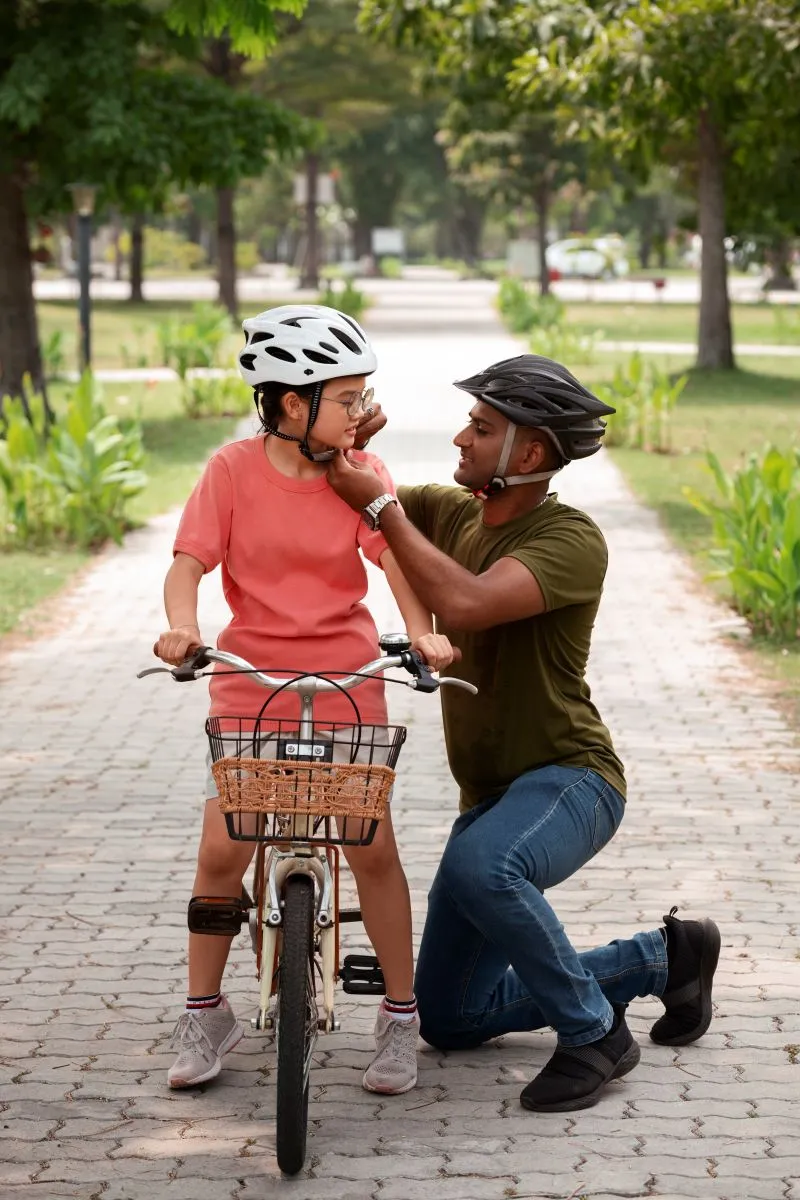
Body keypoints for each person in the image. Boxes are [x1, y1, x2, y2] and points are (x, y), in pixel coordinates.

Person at [327, 353, 721, 1113]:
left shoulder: (571, 539)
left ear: (530, 453)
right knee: (450, 1015)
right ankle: (667, 958)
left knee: (483, 866)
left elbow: (467, 603)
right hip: (492, 800)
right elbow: (350, 500)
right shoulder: (451, 512)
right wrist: (338, 451)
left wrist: (382, 510)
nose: (459, 440)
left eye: (480, 428)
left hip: (572, 779)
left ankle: (594, 1036)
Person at [155, 304, 454, 1097]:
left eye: (363, 397)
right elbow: (189, 563)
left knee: (371, 846)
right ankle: (204, 1009)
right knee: (223, 849)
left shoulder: (360, 473)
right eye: (349, 398)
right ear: (293, 405)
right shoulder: (229, 471)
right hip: (249, 682)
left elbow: (395, 566)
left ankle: (398, 1018)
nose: (364, 412)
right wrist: (182, 629)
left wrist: (422, 635)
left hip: (350, 684)